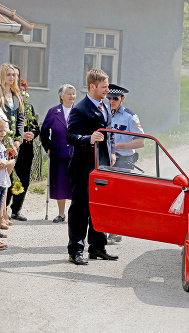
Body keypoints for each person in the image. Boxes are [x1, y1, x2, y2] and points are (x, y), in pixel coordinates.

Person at [66, 68, 117, 265]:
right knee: (80, 210)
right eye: (104, 87)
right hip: (83, 168)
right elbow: (70, 137)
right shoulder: (80, 109)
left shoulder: (105, 104)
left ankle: (97, 248)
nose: (107, 90)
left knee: (100, 208)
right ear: (92, 86)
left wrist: (111, 152)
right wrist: (89, 138)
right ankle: (75, 250)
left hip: (102, 167)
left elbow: (109, 132)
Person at [107, 83, 145, 244]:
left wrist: (118, 146)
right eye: (109, 98)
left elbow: (141, 142)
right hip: (105, 160)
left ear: (122, 99)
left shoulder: (130, 117)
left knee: (118, 197)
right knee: (105, 196)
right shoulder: (102, 114)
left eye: (115, 98)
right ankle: (103, 229)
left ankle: (116, 230)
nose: (112, 101)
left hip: (123, 161)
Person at [40, 84, 76, 223]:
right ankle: (61, 214)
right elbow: (44, 131)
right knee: (60, 183)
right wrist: (48, 146)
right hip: (58, 153)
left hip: (75, 153)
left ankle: (74, 214)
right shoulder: (53, 111)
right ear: (61, 96)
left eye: (73, 93)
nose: (72, 96)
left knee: (75, 184)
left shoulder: (78, 111)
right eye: (69, 93)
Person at [6, 75, 39, 221]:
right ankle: (4, 209)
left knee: (24, 180)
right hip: (13, 148)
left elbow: (36, 127)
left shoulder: (29, 107)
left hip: (26, 150)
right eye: (21, 90)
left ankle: (16, 210)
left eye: (25, 91)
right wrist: (20, 135)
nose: (22, 93)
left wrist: (32, 133)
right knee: (9, 180)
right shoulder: (10, 106)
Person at [0, 63, 24, 226]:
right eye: (8, 74)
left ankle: (4, 214)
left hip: (13, 141)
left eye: (13, 75)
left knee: (6, 180)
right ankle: (1, 216)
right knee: (1, 179)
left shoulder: (17, 94)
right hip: (2, 138)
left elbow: (21, 119)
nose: (11, 77)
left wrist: (18, 140)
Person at [0, 119, 15, 246]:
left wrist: (8, 160)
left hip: (2, 182)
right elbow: (2, 164)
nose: (2, 133)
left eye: (3, 130)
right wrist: (10, 162)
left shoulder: (2, 146)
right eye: (0, 130)